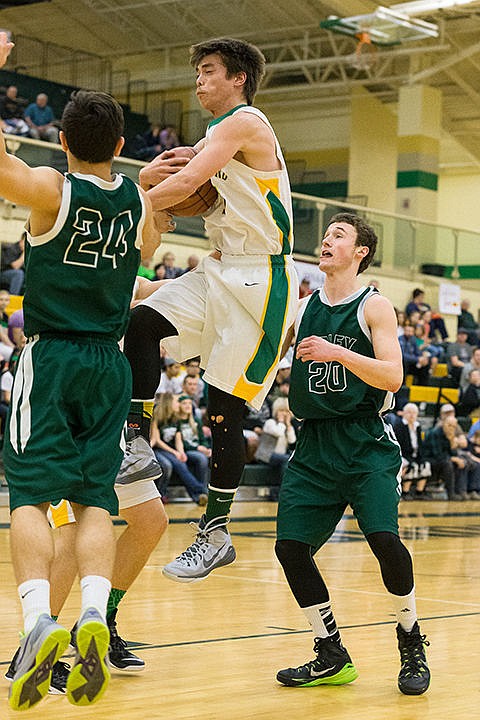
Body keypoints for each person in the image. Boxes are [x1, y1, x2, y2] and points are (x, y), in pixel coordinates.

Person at [0, 30, 167, 712]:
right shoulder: (137, 205)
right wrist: (155, 183)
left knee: (31, 501)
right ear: (121, 146)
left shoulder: (48, 190)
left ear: (62, 142)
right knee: (97, 503)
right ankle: (93, 612)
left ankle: (39, 619)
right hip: (110, 365)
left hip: (53, 356)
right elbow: (151, 244)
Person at [121, 37, 299, 583]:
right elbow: (202, 188)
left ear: (238, 78)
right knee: (142, 322)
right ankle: (134, 439)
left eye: (208, 71)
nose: (199, 82)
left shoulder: (247, 123)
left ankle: (215, 531)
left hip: (262, 280)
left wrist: (129, 201)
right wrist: (162, 186)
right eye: (198, 72)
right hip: (220, 268)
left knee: (223, 410)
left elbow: (191, 182)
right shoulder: (216, 137)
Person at [275, 213, 430, 695]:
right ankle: (330, 652)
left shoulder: (375, 306)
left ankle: (410, 638)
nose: (326, 240)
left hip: (365, 443)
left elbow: (392, 377)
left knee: (384, 541)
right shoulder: (302, 309)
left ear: (361, 251)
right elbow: (263, 354)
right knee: (290, 549)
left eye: (338, 235)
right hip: (314, 445)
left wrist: (337, 353)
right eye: (325, 236)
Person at [150, 392, 208, 505]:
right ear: (169, 403)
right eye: (177, 402)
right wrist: (174, 452)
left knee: (182, 463)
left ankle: (199, 496)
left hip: (171, 449)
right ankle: (201, 491)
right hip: (159, 449)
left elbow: (178, 438)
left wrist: (180, 452)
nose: (179, 404)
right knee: (169, 465)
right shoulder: (157, 416)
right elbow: (157, 440)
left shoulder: (176, 418)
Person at [254, 396, 296, 499]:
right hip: (265, 455)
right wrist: (282, 422)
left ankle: (283, 491)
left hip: (279, 458)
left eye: (286, 411)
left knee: (290, 459)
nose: (284, 413)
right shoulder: (270, 423)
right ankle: (281, 492)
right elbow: (278, 432)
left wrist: (289, 425)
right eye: (281, 410)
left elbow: (292, 441)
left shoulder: (287, 426)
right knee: (286, 459)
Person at [393, 402, 431, 500]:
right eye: (409, 412)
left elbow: (419, 444)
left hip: (414, 454)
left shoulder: (417, 426)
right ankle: (405, 492)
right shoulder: (399, 426)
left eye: (414, 413)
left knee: (425, 465)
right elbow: (400, 445)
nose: (412, 415)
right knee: (412, 465)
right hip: (403, 454)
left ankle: (419, 492)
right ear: (404, 413)